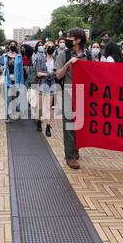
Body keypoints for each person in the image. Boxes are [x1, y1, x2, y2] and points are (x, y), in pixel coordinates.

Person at [55, 28, 91, 170]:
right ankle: (70, 156)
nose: (67, 40)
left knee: (79, 124)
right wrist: (69, 63)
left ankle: (75, 150)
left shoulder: (88, 55)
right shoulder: (64, 54)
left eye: (70, 38)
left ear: (78, 40)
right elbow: (58, 75)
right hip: (69, 92)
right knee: (69, 125)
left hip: (84, 93)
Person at [0, 40, 24, 123]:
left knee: (15, 97)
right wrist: (3, 67)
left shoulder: (19, 56)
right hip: (8, 79)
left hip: (16, 79)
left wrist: (21, 82)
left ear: (16, 46)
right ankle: (6, 115)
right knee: (8, 98)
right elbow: (1, 66)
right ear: (9, 46)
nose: (13, 46)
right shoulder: (4, 56)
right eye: (11, 44)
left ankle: (13, 112)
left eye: (14, 44)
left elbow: (21, 70)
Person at [36, 41, 57, 136]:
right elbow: (38, 73)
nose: (51, 48)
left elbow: (57, 73)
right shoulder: (40, 59)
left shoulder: (56, 60)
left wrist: (50, 75)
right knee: (40, 107)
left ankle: (48, 126)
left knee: (48, 107)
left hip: (52, 83)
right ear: (45, 48)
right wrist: (48, 74)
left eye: (52, 46)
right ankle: (39, 121)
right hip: (42, 83)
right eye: (49, 46)